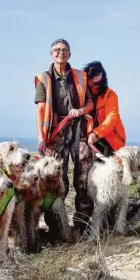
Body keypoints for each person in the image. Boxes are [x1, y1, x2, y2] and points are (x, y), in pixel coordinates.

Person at [34, 38, 95, 239]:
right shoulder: (43, 78)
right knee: (56, 180)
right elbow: (41, 109)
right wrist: (41, 138)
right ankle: (56, 228)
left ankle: (82, 226)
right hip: (55, 132)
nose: (61, 52)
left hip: (79, 131)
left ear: (70, 54)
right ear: (51, 54)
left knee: (83, 178)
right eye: (57, 50)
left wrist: (80, 110)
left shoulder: (80, 76)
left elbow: (90, 104)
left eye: (65, 49)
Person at [83, 61, 127, 157]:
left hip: (109, 140)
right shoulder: (82, 95)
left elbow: (112, 118)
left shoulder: (110, 95)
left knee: (108, 169)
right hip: (90, 138)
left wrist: (96, 133)